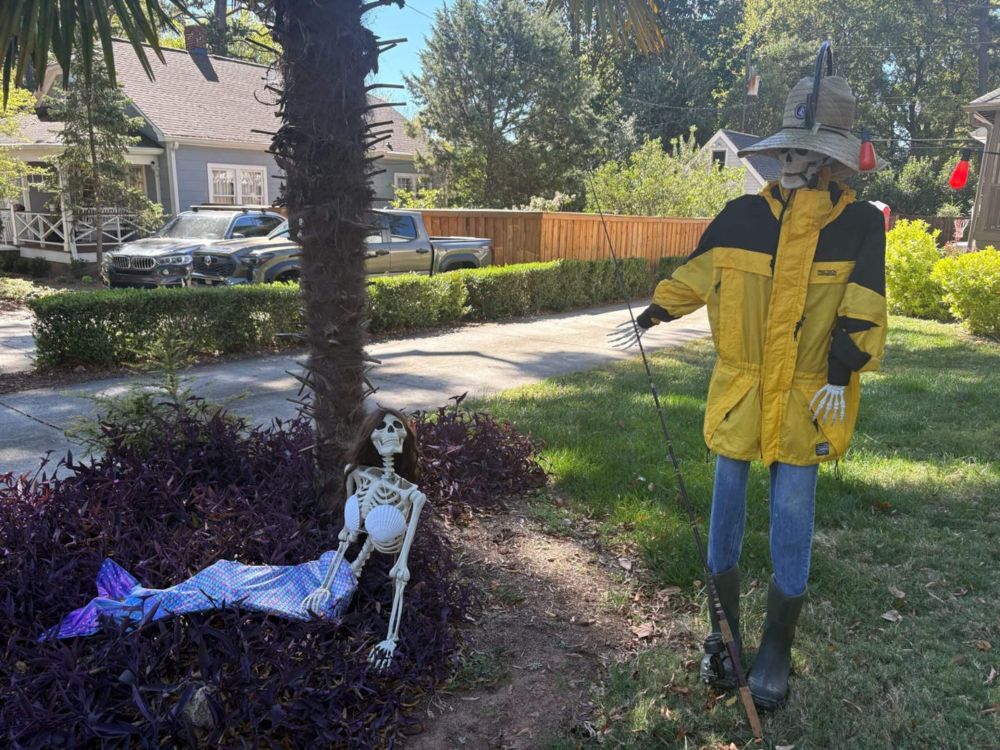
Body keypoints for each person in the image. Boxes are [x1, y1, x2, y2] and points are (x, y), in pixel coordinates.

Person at [610, 72, 887, 710]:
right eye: (785, 150)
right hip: (740, 387)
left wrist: (842, 373)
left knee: (793, 509)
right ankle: (724, 633)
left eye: (805, 153)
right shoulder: (738, 217)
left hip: (809, 395)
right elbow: (697, 275)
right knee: (725, 501)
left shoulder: (859, 227)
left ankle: (776, 647)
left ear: (829, 161)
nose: (790, 161)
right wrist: (652, 314)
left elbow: (866, 305)